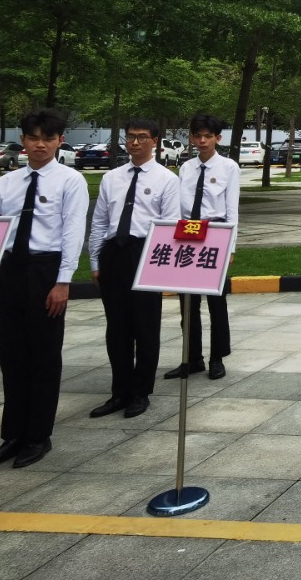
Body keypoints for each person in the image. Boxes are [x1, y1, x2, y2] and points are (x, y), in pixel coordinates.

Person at [0, 108, 90, 469]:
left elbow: (73, 232)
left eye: (47, 138)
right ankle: (13, 434)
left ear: (59, 141)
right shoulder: (7, 183)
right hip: (12, 270)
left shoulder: (70, 181)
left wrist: (63, 281)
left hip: (46, 270)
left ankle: (38, 436)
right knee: (11, 355)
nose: (40, 145)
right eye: (33, 138)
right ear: (23, 140)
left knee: (43, 355)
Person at [88, 118, 181, 419]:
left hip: (145, 253)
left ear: (155, 141)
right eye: (130, 137)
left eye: (142, 137)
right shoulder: (111, 178)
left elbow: (170, 226)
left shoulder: (167, 179)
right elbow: (100, 222)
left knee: (145, 327)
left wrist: (161, 266)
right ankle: (120, 392)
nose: (135, 142)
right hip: (114, 254)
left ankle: (140, 393)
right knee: (117, 328)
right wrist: (95, 260)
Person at [164, 114, 240, 382]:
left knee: (216, 302)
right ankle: (191, 357)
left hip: (215, 233)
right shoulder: (186, 168)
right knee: (188, 302)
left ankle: (217, 357)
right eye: (198, 136)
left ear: (218, 138)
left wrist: (230, 246)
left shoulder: (229, 167)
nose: (202, 141)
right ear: (192, 138)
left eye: (208, 136)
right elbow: (177, 206)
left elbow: (232, 209)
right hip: (187, 233)